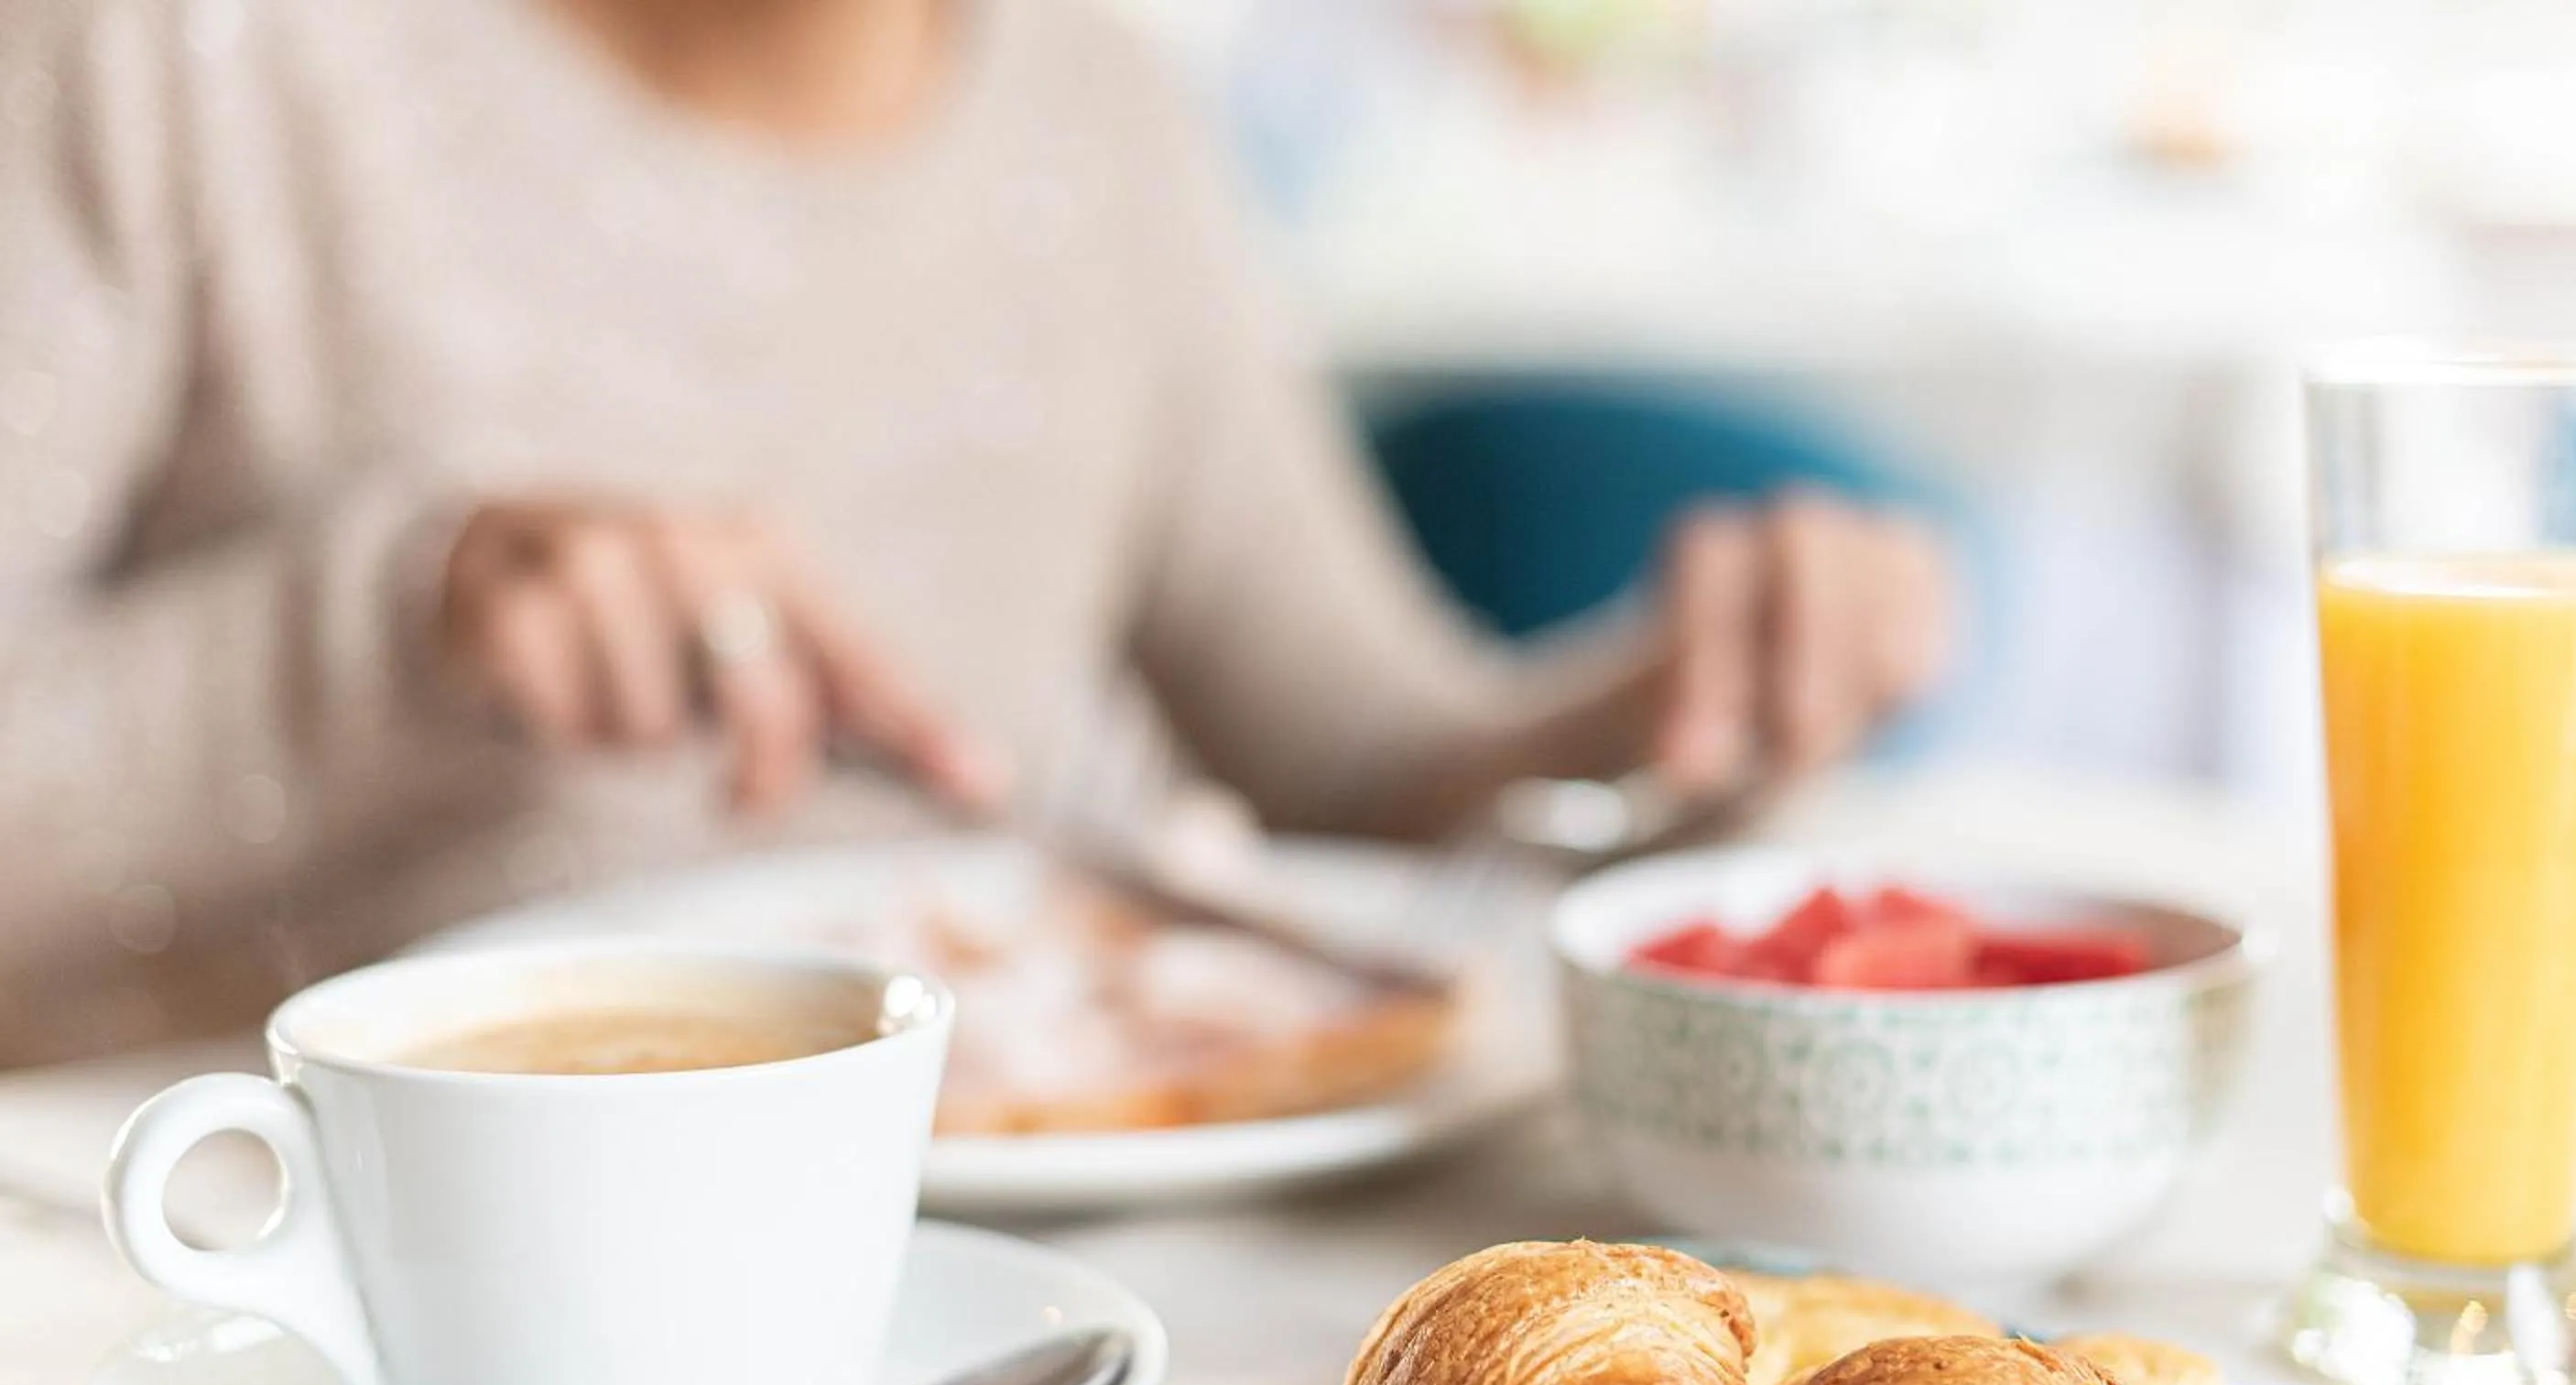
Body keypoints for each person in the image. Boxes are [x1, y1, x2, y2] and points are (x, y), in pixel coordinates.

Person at [0, 0, 1950, 1066]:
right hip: (231, 1308)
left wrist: (1681, 713)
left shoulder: (1090, 107)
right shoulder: (163, 54)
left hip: (965, 1323)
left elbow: (1369, 778)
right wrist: (393, 628)